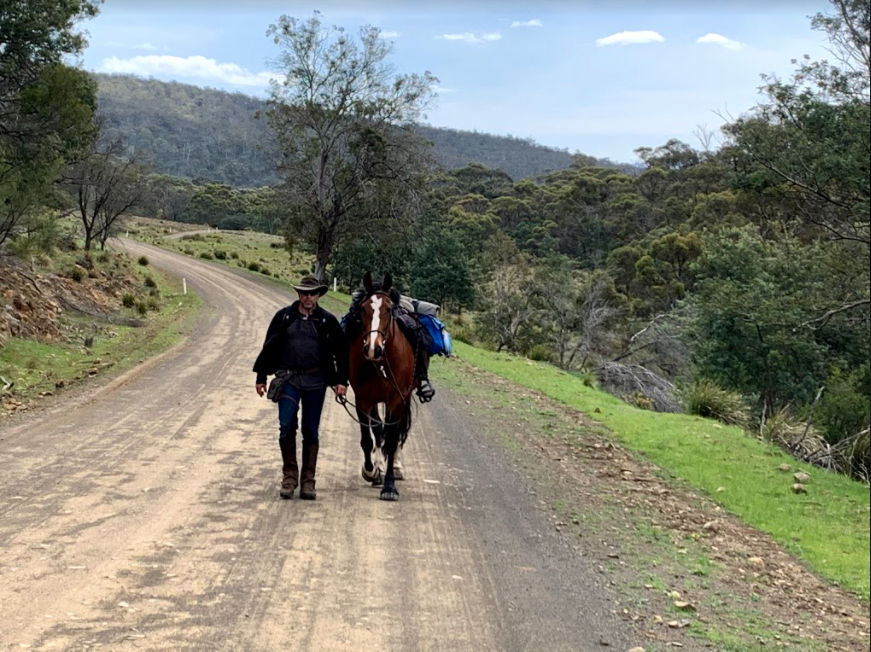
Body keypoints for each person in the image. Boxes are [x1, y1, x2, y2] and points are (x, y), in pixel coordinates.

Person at [253, 276, 348, 500]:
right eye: (304, 293)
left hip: (316, 381)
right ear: (298, 294)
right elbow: (269, 346)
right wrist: (261, 376)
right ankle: (289, 476)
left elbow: (342, 352)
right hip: (289, 379)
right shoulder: (284, 317)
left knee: (310, 429)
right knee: (286, 425)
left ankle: (308, 481)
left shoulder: (327, 321)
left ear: (319, 295)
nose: (308, 297)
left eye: (312, 293)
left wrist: (341, 381)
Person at [341, 286, 436, 403]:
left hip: (390, 301)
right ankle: (341, 373)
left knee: (415, 331)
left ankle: (422, 375)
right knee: (347, 328)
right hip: (369, 300)